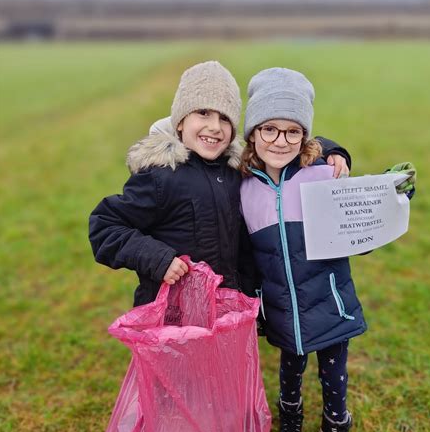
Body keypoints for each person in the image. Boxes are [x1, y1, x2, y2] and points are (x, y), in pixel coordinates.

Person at [239, 67, 416, 432]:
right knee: (291, 363)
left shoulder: (326, 175)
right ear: (252, 134)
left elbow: (361, 233)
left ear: (305, 137)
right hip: (282, 303)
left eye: (292, 131)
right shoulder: (243, 186)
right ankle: (292, 416)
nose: (280, 141)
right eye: (269, 129)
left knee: (335, 367)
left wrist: (391, 203)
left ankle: (336, 425)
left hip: (330, 297)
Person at [89, 60, 352, 308]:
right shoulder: (160, 175)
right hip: (173, 317)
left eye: (225, 118)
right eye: (203, 113)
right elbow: (106, 227)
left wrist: (331, 150)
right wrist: (157, 259)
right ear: (180, 121)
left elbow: (283, 149)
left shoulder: (238, 171)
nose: (215, 127)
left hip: (228, 313)